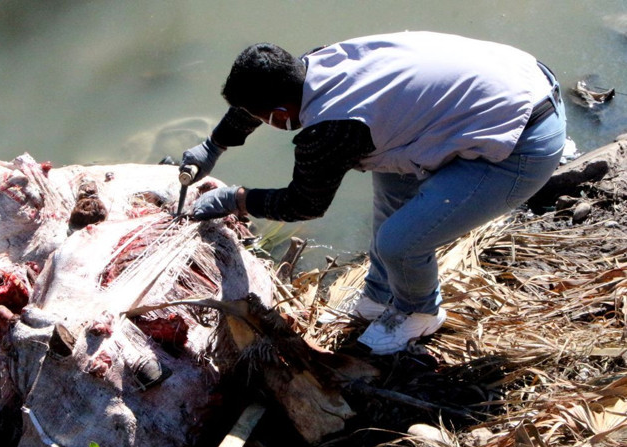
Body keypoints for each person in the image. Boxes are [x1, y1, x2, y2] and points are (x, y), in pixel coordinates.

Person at [179, 31, 566, 355]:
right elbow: (256, 102)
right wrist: (212, 147)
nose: (263, 122)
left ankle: (419, 315)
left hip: (521, 140)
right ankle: (380, 297)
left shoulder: (330, 130)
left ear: (280, 110)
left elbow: (305, 204)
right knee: (389, 195)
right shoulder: (311, 66)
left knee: (399, 242)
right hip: (512, 81)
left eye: (264, 117)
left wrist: (235, 199)